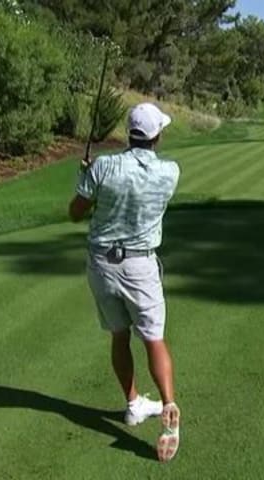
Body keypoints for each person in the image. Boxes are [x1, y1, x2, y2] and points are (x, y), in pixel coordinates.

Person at [69, 103, 182, 462]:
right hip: (140, 267)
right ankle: (168, 408)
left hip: (102, 266)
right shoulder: (170, 173)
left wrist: (85, 176)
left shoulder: (103, 167)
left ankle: (133, 404)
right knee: (153, 339)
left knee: (119, 334)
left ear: (130, 133)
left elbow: (75, 212)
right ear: (156, 136)